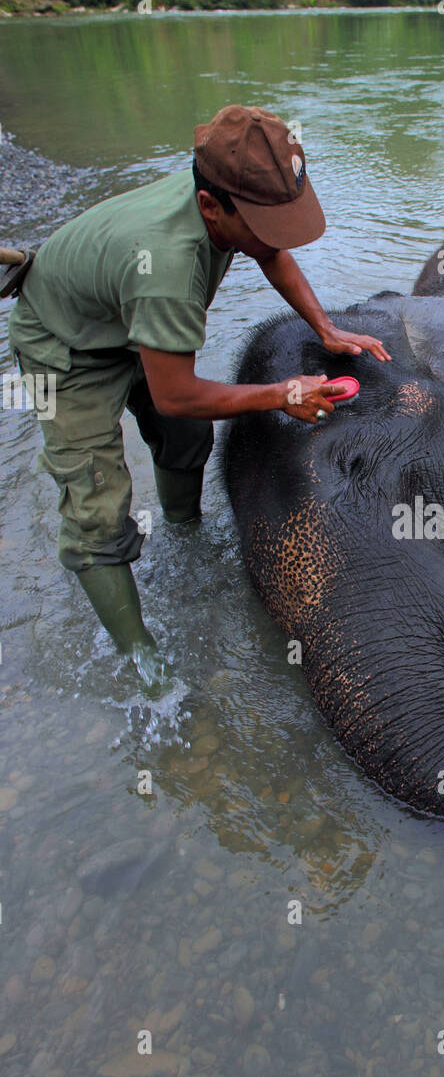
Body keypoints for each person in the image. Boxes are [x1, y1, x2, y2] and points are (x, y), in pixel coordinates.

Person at [4, 104, 391, 688]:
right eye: (263, 223)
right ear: (211, 207)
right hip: (68, 348)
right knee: (98, 511)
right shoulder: (167, 265)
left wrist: (324, 327)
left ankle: (183, 534)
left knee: (186, 436)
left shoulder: (228, 184)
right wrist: (282, 393)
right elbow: (179, 394)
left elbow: (269, 251)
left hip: (128, 315)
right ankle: (145, 665)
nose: (270, 237)